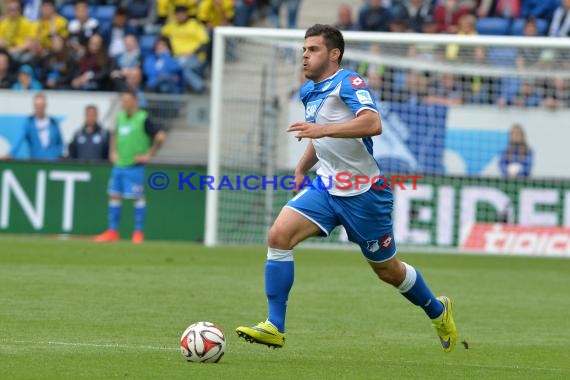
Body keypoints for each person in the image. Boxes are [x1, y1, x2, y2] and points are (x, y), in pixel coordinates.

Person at [235, 24, 458, 353]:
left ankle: (437, 311)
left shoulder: (349, 82)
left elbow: (373, 123)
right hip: (326, 187)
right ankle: (274, 326)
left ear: (333, 54)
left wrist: (321, 128)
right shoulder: (308, 91)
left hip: (364, 194)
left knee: (388, 271)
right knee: (278, 236)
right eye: (303, 50)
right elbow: (320, 135)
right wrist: (301, 167)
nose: (305, 56)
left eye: (313, 50)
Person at [94, 90, 166, 244]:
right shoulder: (120, 117)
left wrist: (150, 154)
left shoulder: (143, 118)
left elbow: (160, 136)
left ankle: (138, 233)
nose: (123, 103)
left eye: (126, 100)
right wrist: (112, 151)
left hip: (135, 166)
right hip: (119, 165)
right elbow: (114, 134)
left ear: (134, 101)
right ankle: (113, 231)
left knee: (137, 198)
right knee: (114, 195)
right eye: (122, 101)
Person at [3, 92, 63, 160]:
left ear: (45, 106)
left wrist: (56, 154)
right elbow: (19, 139)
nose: (39, 109)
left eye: (41, 106)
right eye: (37, 106)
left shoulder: (53, 122)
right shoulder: (29, 122)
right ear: (34, 106)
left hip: (52, 161)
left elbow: (60, 143)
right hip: (36, 161)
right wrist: (11, 153)